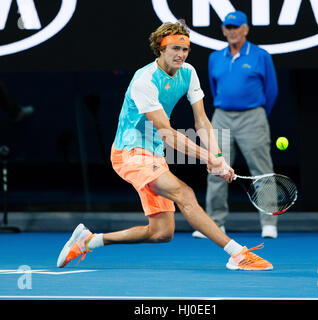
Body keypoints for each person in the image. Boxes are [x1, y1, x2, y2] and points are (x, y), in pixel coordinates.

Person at [57, 20, 273, 271]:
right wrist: (207, 158)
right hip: (129, 152)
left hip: (154, 153)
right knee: (185, 193)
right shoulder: (144, 80)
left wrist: (217, 156)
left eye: (185, 50)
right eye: (174, 49)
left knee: (161, 233)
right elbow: (168, 134)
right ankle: (238, 254)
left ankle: (89, 241)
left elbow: (202, 120)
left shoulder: (189, 73)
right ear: (160, 49)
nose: (180, 55)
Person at [192, 11, 279, 239]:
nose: (231, 31)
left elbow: (271, 91)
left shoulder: (260, 55)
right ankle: (215, 223)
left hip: (253, 116)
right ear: (223, 30)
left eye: (236, 27)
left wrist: (257, 113)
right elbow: (214, 88)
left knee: (261, 170)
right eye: (228, 27)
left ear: (245, 29)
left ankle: (269, 222)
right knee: (216, 168)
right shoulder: (215, 58)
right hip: (222, 116)